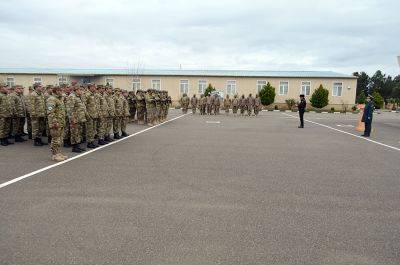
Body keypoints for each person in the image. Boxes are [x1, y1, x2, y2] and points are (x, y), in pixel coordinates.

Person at [46, 86, 68, 162]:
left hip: (61, 122)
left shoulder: (60, 99)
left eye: (61, 90)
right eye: (59, 90)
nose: (61, 92)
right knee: (55, 139)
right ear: (55, 91)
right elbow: (50, 112)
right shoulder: (51, 99)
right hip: (55, 123)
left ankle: (58, 153)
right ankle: (54, 155)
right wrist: (54, 122)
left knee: (60, 139)